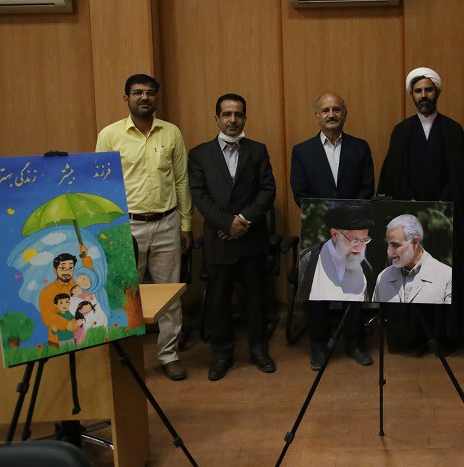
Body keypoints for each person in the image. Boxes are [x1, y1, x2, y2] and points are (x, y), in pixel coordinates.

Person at [96, 74, 194, 381]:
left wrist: (186, 224)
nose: (144, 97)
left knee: (169, 295)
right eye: (138, 92)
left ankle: (169, 355)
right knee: (125, 294)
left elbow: (181, 180)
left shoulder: (171, 132)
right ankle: (126, 359)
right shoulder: (110, 135)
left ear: (156, 98)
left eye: (150, 93)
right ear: (126, 98)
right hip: (126, 226)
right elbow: (102, 185)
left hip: (167, 223)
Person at [377, 67, 464, 349]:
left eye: (428, 90)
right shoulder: (401, 131)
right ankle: (413, 338)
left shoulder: (453, 130)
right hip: (409, 221)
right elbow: (393, 175)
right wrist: (411, 203)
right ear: (412, 94)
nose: (423, 95)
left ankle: (444, 337)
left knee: (440, 277)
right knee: (410, 277)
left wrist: (440, 204)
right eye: (418, 91)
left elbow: (461, 177)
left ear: (437, 93)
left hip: (445, 219)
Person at [188, 93, 277, 381]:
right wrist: (227, 223)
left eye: (238, 114)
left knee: (255, 299)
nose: (232, 119)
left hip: (251, 237)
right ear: (216, 119)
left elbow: (267, 190)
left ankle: (259, 350)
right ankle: (221, 354)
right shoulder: (199, 154)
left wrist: (243, 221)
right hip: (219, 238)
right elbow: (199, 195)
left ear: (245, 118)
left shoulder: (258, 150)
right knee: (219, 301)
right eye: (226, 114)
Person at [291, 92, 375, 370]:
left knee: (354, 286)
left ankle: (355, 343)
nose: (331, 114)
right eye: (325, 110)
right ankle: (319, 346)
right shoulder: (302, 151)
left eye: (336, 109)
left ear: (344, 114)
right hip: (318, 230)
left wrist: (346, 219)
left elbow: (367, 188)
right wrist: (328, 217)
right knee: (318, 290)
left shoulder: (360, 148)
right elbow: (300, 192)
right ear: (317, 116)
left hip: (352, 232)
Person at [373, 214, 452, 304]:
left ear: (415, 242)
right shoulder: (383, 277)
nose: (389, 252)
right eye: (388, 245)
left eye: (395, 245)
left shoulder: (447, 276)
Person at [38, 250, 90, 348]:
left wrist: (85, 257)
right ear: (55, 270)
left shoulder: (77, 285)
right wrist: (66, 324)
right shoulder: (47, 291)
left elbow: (90, 278)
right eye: (63, 268)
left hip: (81, 337)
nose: (67, 271)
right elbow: (47, 316)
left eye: (70, 268)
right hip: (58, 341)